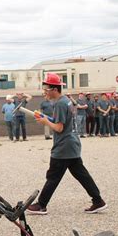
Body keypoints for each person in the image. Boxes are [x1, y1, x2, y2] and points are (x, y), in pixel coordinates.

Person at [27, 73, 107, 215]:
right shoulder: (66, 101)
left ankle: (41, 205)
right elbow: (61, 120)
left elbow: (59, 127)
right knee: (82, 175)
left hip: (64, 147)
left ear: (54, 89)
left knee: (53, 176)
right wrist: (46, 117)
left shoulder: (59, 103)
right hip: (72, 144)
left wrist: (46, 122)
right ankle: (98, 200)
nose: (44, 91)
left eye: (46, 88)